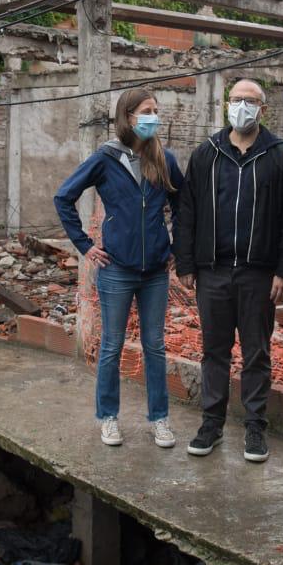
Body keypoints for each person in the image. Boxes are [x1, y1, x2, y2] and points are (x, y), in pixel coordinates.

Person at [175, 79, 283, 463]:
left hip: (258, 274)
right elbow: (186, 211)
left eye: (250, 101)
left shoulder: (281, 156)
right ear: (226, 106)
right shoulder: (207, 154)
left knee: (256, 352)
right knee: (214, 352)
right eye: (236, 100)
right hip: (212, 272)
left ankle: (254, 427)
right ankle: (211, 424)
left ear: (263, 109)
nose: (242, 107)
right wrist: (186, 262)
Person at [54, 88, 184, 449]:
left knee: (154, 345)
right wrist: (84, 245)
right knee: (111, 345)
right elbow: (63, 197)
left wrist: (177, 248)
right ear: (128, 117)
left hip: (155, 271)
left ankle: (160, 420)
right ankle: (108, 418)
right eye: (146, 110)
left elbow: (183, 206)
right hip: (116, 269)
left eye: (156, 110)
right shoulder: (105, 158)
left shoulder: (164, 158)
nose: (152, 117)